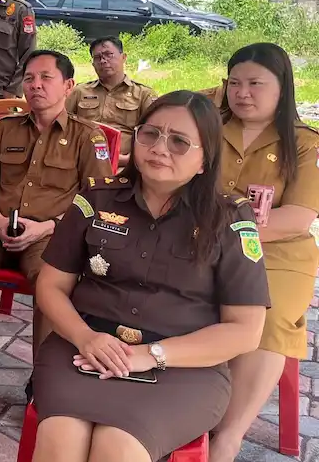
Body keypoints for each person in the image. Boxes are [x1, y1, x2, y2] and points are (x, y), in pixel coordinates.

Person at [32, 91, 270, 462]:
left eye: (179, 141)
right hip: (84, 350)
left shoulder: (230, 219)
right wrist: (85, 336)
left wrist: (152, 354)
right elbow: (50, 285)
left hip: (182, 368)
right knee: (60, 439)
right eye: (150, 134)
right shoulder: (96, 200)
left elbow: (245, 329)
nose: (160, 148)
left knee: (118, 447)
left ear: (205, 159)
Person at [208, 43, 319, 462]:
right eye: (234, 83)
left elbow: (297, 216)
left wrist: (231, 232)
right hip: (206, 243)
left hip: (278, 253)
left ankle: (228, 435)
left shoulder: (305, 143)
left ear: (282, 87)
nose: (243, 93)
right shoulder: (210, 130)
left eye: (256, 83)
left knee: (265, 318)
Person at [0, 50, 112, 355]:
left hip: (50, 234)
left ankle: (42, 378)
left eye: (46, 77)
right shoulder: (5, 128)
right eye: (29, 78)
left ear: (68, 86)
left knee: (51, 287)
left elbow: (99, 200)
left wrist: (46, 228)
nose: (35, 85)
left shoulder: (87, 137)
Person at [66, 37, 157, 168]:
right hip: (81, 161)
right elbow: (62, 125)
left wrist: (129, 159)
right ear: (93, 64)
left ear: (123, 57)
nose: (103, 60)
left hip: (123, 165)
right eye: (97, 57)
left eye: (109, 55)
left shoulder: (143, 94)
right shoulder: (80, 91)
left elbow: (153, 134)